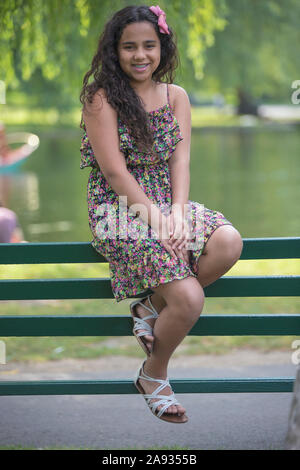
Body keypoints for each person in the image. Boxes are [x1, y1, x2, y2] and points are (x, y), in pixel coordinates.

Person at [79, 5, 243, 424]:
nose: (139, 55)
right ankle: (155, 374)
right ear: (114, 51)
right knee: (189, 298)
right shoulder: (101, 98)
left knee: (228, 241)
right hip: (120, 208)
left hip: (168, 203)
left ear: (162, 47)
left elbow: (180, 162)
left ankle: (148, 307)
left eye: (148, 45)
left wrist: (177, 213)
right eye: (129, 46)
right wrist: (158, 221)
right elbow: (115, 173)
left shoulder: (176, 96)